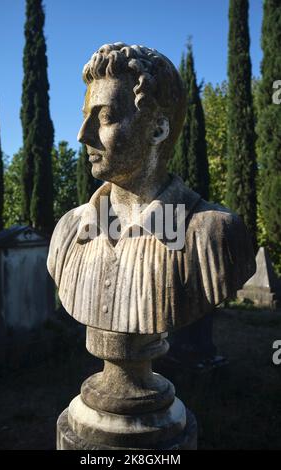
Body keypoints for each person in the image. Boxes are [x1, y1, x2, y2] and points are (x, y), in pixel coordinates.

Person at [47, 42, 256, 334]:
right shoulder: (69, 232)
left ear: (157, 128)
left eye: (105, 117)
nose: (83, 135)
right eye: (85, 116)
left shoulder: (214, 236)